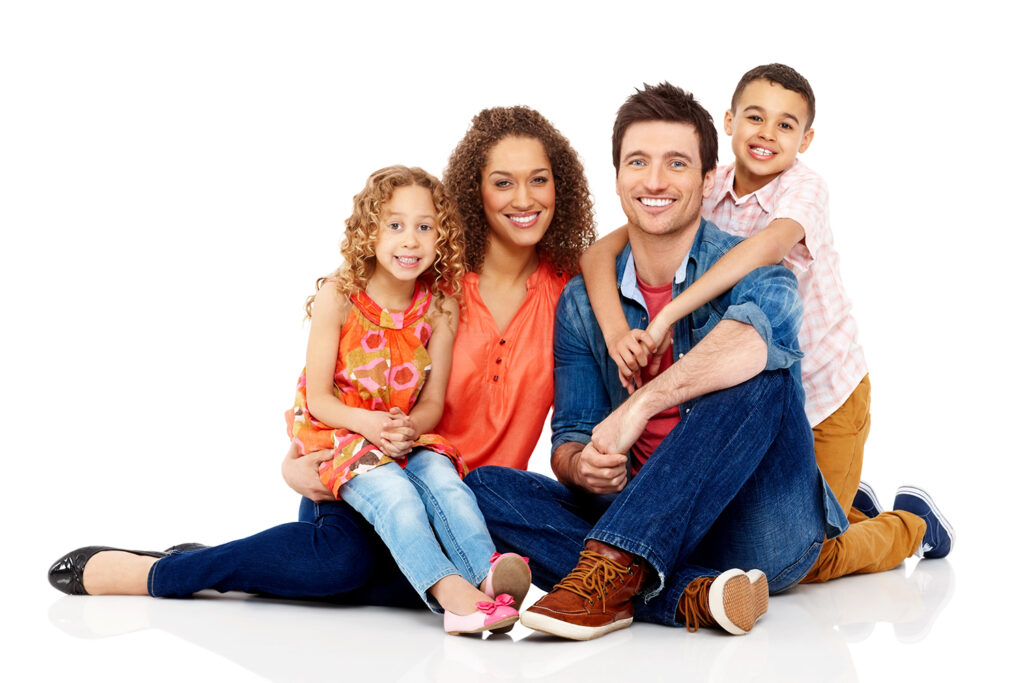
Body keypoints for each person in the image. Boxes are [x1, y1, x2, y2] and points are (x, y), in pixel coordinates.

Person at [48, 108, 595, 622]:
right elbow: (341, 381)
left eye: (539, 179)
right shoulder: (433, 284)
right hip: (365, 476)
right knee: (342, 564)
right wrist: (292, 464)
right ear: (471, 194)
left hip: (470, 507)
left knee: (398, 575)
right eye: (502, 181)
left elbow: (625, 244)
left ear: (561, 187)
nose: (523, 198)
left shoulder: (570, 296)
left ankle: (262, 564)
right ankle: (162, 572)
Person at [466, 82, 847, 642]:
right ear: (617, 175)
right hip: (639, 507)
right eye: (638, 162)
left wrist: (640, 405)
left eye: (676, 163)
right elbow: (569, 437)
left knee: (757, 366)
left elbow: (751, 349)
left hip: (755, 530)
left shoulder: (759, 269)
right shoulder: (582, 301)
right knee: (483, 488)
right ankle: (692, 595)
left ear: (706, 176)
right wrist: (582, 467)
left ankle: (613, 573)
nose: (654, 181)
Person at [577, 64, 954, 580]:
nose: (767, 134)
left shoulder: (803, 189)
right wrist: (618, 331)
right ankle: (844, 501)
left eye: (786, 125)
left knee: (808, 558)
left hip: (825, 393)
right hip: (748, 386)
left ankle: (911, 524)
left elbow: (766, 249)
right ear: (729, 120)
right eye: (755, 117)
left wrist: (667, 313)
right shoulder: (707, 181)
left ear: (807, 139)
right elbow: (599, 253)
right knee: (743, 525)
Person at [283, 165, 525, 634]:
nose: (410, 240)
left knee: (445, 479)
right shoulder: (339, 296)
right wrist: (369, 426)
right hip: (342, 436)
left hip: (401, 435)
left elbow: (433, 402)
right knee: (398, 498)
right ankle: (453, 596)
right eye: (394, 225)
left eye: (424, 227)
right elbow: (317, 399)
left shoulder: (440, 307)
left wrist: (409, 428)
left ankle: (486, 572)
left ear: (442, 237)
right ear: (368, 232)